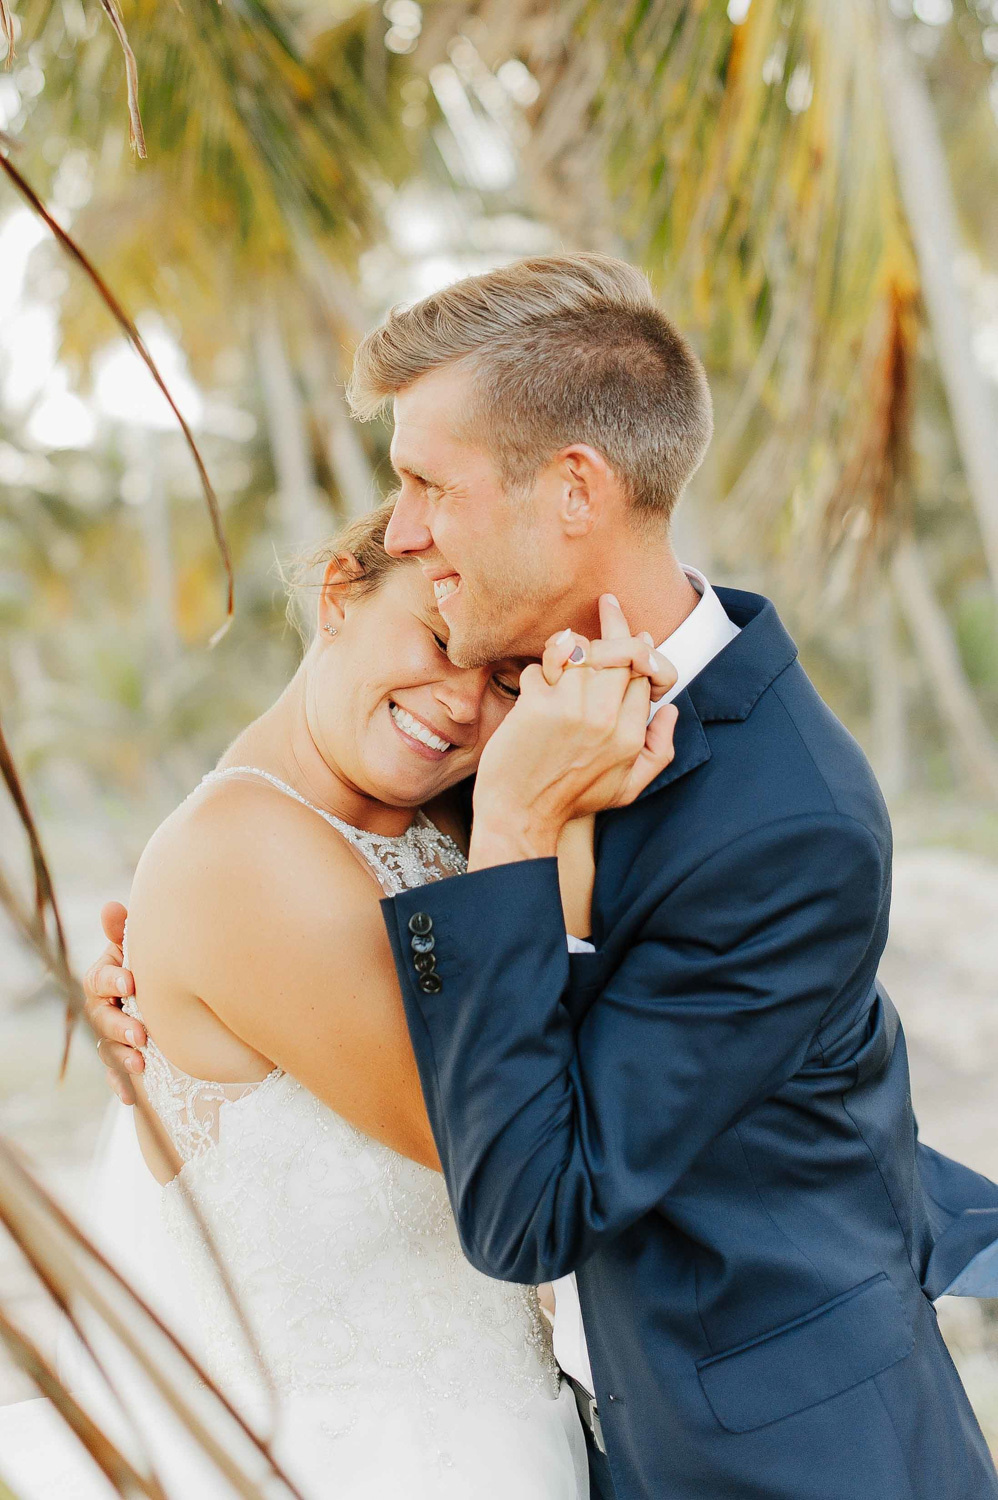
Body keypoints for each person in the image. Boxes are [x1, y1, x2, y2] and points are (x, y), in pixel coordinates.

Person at [89, 253, 998, 1500]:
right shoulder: (496, 741)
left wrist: (515, 825)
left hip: (786, 1460)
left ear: (573, 489)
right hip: (501, 1435)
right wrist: (177, 999)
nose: (402, 523)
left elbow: (534, 1188)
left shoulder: (783, 813)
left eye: (426, 483)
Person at [2, 501, 676, 1500]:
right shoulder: (240, 853)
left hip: (505, 1434)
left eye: (506, 680)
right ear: (336, 598)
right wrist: (548, 825)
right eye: (439, 639)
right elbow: (501, 1142)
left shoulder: (440, 828)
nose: (460, 703)